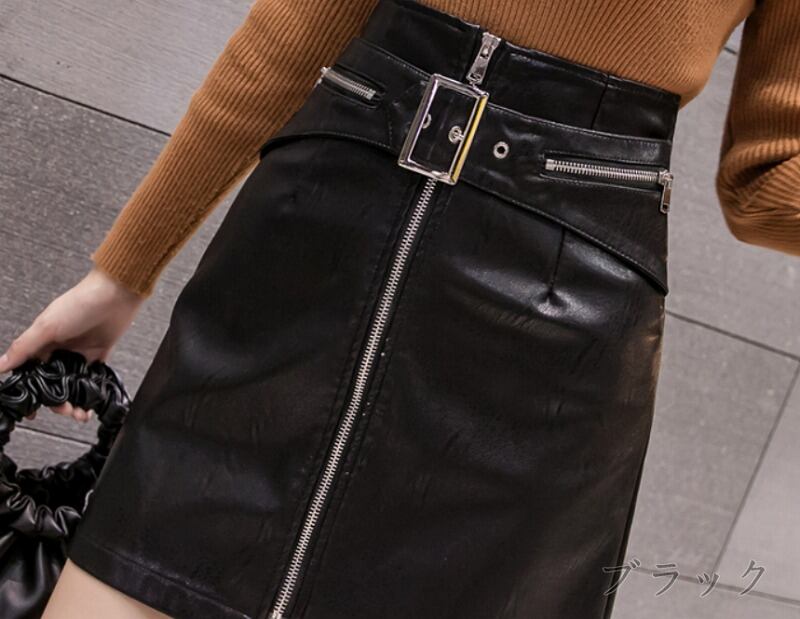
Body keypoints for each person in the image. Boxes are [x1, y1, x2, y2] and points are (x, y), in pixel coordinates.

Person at [0, 0, 797, 617]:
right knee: (129, 576)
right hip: (316, 239)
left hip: (549, 337)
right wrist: (123, 271)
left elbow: (768, 176)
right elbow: (300, 26)